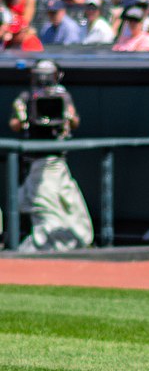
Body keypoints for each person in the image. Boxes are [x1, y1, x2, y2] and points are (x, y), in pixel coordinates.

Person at [9, 60, 94, 253]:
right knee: (43, 208)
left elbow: (74, 122)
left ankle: (75, 241)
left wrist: (67, 116)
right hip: (34, 161)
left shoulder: (62, 96)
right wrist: (23, 118)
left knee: (71, 206)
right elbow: (14, 124)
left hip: (57, 160)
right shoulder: (26, 97)